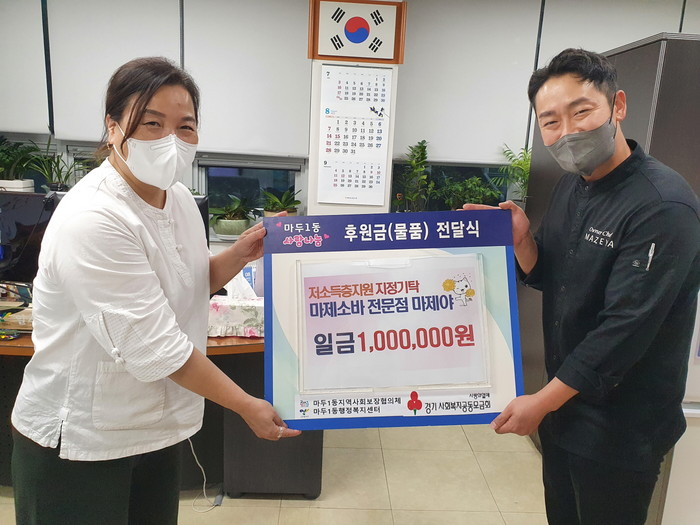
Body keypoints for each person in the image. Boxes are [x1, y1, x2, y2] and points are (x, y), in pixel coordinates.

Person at [10, 57, 300, 525]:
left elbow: (186, 285)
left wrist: (240, 254)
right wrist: (246, 405)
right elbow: (156, 347)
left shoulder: (178, 198)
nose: (171, 139)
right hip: (81, 439)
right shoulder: (94, 218)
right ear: (113, 127)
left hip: (154, 428)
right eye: (151, 123)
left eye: (185, 126)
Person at [465, 48, 700, 524]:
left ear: (618, 106)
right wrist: (522, 241)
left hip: (620, 431)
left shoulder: (663, 206)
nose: (568, 132)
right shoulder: (575, 184)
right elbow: (552, 274)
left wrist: (539, 403)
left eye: (581, 111)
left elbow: (623, 332)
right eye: (550, 121)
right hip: (565, 411)